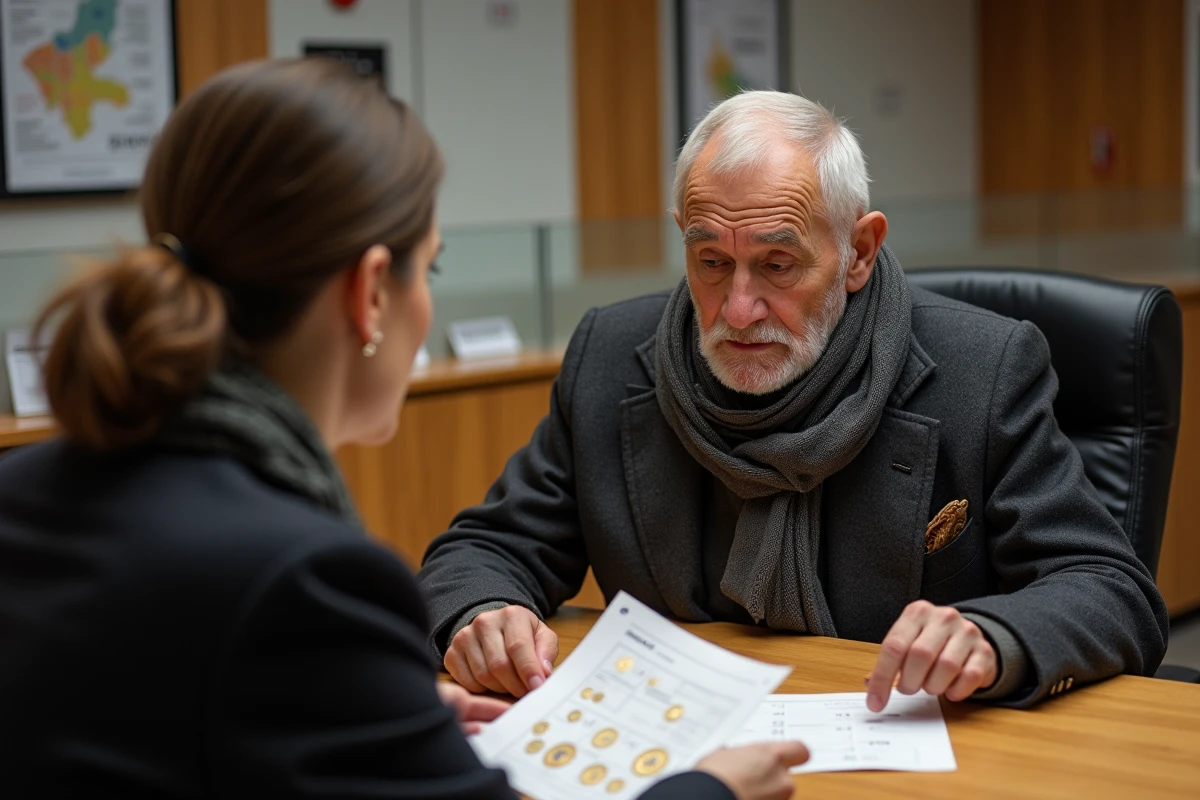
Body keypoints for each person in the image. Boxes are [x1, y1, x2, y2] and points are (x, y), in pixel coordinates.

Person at [0, 60, 808, 799]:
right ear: (370, 294)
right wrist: (711, 790)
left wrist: (377, 717)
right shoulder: (302, 580)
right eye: (434, 266)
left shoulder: (24, 491)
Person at [419, 90, 1169, 712]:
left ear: (859, 252)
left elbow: (1110, 589)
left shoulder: (983, 370)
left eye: (778, 264)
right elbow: (484, 548)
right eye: (711, 262)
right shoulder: (612, 358)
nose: (738, 308)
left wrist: (992, 637)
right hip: (679, 742)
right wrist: (483, 613)